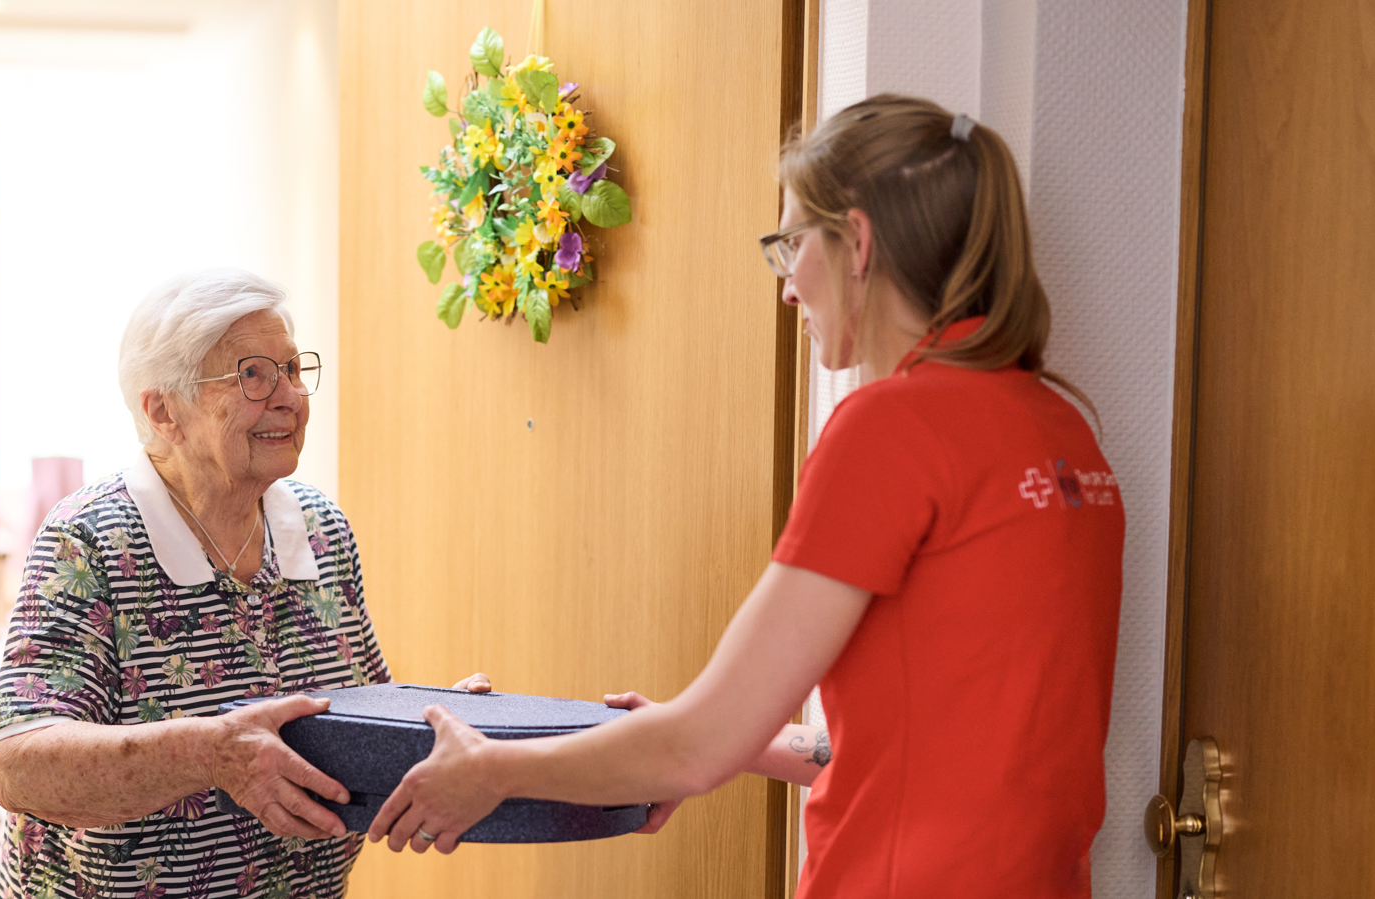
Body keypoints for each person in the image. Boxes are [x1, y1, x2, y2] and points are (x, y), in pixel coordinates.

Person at [364, 95, 1125, 899]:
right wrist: (721, 740)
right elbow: (943, 741)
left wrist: (493, 771)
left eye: (793, 244)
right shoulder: (1064, 432)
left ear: (857, 243)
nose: (789, 286)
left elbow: (695, 744)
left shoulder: (891, 427)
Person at [0, 268, 490, 899]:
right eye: (252, 375)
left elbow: (358, 712)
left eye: (292, 370)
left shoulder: (320, 527)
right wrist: (210, 754)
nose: (290, 398)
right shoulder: (89, 541)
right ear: (163, 410)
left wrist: (439, 729)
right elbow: (20, 770)